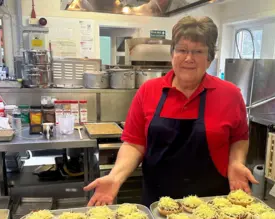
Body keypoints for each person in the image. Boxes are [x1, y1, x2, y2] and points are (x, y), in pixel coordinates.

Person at [85, 16, 257, 206]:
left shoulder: (230, 94)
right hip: (158, 203)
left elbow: (239, 138)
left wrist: (236, 162)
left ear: (209, 59)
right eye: (182, 50)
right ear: (172, 54)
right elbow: (134, 143)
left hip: (213, 203)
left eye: (198, 51)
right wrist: (115, 177)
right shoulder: (149, 91)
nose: (189, 58)